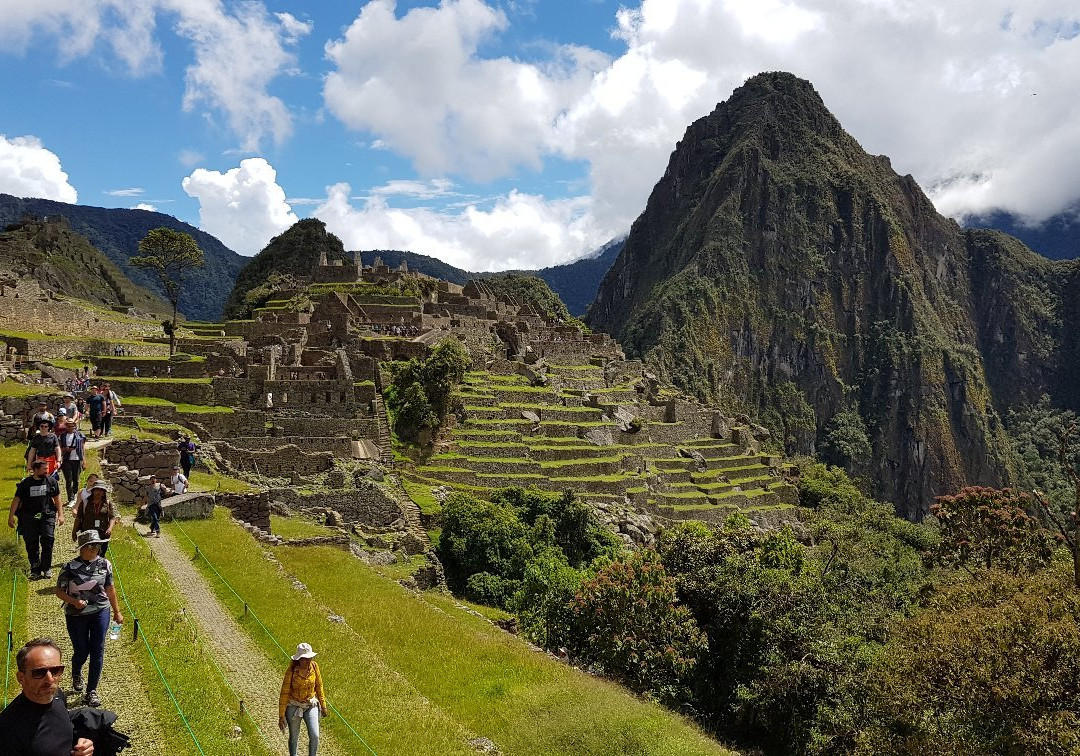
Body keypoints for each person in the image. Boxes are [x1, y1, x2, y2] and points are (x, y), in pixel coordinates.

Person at [56, 530, 123, 708]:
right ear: (82, 548)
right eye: (91, 546)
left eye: (98, 545)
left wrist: (117, 611)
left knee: (97, 650)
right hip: (76, 615)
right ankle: (76, 673)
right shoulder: (69, 568)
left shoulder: (105, 564)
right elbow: (59, 592)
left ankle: (91, 691)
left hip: (100, 610)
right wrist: (74, 601)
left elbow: (110, 589)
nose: (95, 549)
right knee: (81, 650)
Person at [0, 638, 95, 756]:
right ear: (21, 678)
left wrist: (82, 745)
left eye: (56, 670)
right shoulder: (7, 728)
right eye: (39, 673)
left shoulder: (58, 696)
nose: (50, 679)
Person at [9, 459, 65, 579]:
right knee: (31, 543)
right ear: (35, 470)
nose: (47, 471)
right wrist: (11, 516)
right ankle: (35, 569)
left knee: (48, 540)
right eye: (44, 469)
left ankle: (46, 567)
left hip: (47, 515)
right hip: (28, 517)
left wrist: (60, 515)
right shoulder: (25, 484)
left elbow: (57, 499)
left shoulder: (51, 481)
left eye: (47, 468)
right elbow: (17, 500)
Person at [278, 643, 327, 756]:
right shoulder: (291, 671)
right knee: (294, 737)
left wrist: (323, 706)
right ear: (299, 659)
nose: (308, 661)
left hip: (310, 705)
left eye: (309, 658)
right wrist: (281, 715)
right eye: (305, 659)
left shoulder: (314, 667)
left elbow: (319, 686)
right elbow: (284, 693)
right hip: (294, 706)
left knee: (315, 735)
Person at [72, 482, 117, 558]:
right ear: (93, 491)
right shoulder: (85, 502)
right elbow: (79, 517)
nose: (99, 492)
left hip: (103, 533)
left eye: (101, 490)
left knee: (101, 555)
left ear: (104, 492)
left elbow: (112, 517)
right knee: (87, 553)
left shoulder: (108, 503)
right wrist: (74, 531)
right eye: (97, 490)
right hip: (88, 533)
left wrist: (110, 529)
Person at [59, 420, 86, 505]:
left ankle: (74, 494)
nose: (70, 428)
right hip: (66, 459)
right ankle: (70, 498)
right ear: (66, 427)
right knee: (68, 479)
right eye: (68, 426)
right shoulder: (62, 436)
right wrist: (65, 449)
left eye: (72, 426)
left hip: (77, 459)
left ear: (75, 426)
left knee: (76, 479)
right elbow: (59, 448)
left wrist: (84, 461)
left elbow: (82, 448)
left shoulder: (80, 436)